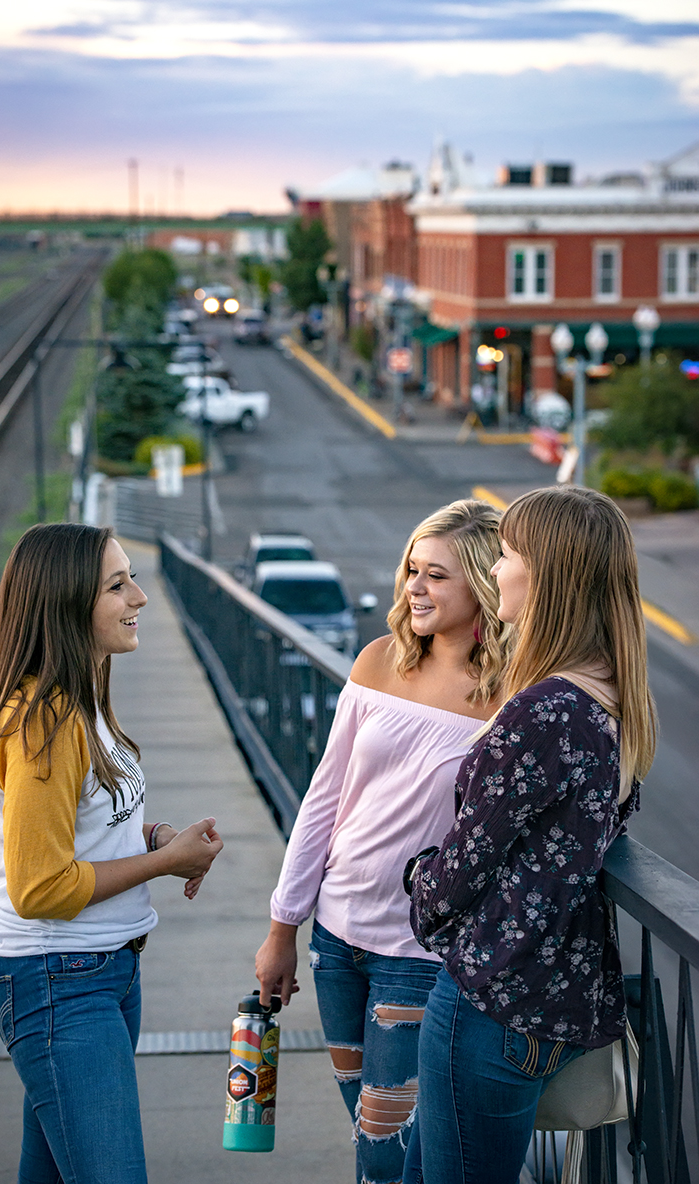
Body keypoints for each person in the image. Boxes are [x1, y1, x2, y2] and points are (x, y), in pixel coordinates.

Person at [403, 486, 657, 1184]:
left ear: (544, 576)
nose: (495, 571)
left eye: (508, 555)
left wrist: (418, 888)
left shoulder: (543, 710)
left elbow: (464, 862)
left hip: (491, 1001)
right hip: (555, 1000)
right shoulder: (609, 694)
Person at [255, 499, 510, 1184]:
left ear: (484, 584)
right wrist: (282, 927)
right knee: (375, 1136)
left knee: (382, 1144)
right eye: (410, 571)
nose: (413, 589)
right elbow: (323, 800)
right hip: (335, 940)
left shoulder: (512, 696)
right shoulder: (376, 661)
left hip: (418, 953)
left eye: (435, 576)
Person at [0, 523, 223, 1184]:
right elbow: (38, 885)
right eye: (116, 585)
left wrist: (155, 838)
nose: (139, 595)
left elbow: (79, 833)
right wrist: (165, 864)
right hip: (57, 981)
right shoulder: (44, 723)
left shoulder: (81, 701)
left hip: (100, 973)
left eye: (131, 577)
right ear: (64, 603)